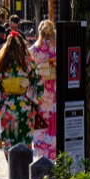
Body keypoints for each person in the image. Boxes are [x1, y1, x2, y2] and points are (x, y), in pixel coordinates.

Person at [0, 32, 44, 157]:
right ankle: (24, 164)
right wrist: (36, 101)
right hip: (26, 106)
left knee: (9, 139)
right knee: (25, 139)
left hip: (7, 107)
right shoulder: (28, 63)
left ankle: (12, 165)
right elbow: (38, 83)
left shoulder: (2, 63)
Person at [29, 20, 57, 159]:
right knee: (53, 119)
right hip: (54, 90)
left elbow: (28, 66)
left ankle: (41, 153)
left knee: (41, 119)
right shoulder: (56, 49)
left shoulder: (34, 49)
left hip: (40, 90)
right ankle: (53, 151)